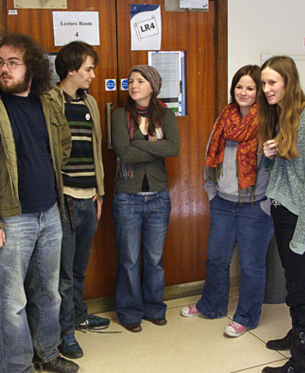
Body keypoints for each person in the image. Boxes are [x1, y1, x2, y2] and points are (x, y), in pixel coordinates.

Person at [0, 33, 77, 373]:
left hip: (50, 212)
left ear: (33, 68)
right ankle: (16, 367)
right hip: (10, 220)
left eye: (13, 63)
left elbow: (63, 146)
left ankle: (47, 353)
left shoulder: (48, 101)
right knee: (11, 303)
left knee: (49, 294)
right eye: (0, 63)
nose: (4, 69)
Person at [180, 65, 274, 337]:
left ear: (259, 91)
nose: (243, 93)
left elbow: (279, 166)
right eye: (239, 87)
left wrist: (267, 202)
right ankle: (211, 306)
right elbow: (210, 152)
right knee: (216, 259)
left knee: (251, 266)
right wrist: (211, 191)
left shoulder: (269, 121)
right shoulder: (225, 116)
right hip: (222, 202)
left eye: (250, 88)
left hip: (255, 205)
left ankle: (246, 317)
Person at [258, 56, 305, 373]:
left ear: (289, 82)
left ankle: (302, 362)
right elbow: (282, 173)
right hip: (281, 212)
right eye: (263, 83)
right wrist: (268, 156)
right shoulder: (282, 117)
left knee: (301, 290)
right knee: (293, 283)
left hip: (298, 218)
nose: (266, 89)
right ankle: (296, 335)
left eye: (271, 82)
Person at [44, 41, 108, 360]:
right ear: (71, 70)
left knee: (80, 266)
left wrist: (100, 192)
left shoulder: (91, 103)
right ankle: (65, 331)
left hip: (88, 197)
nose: (93, 75)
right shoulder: (49, 101)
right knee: (64, 273)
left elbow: (95, 150)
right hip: (64, 199)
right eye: (88, 69)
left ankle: (79, 315)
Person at [112, 65, 180, 333]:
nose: (133, 85)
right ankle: (129, 312)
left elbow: (173, 148)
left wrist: (138, 144)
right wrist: (154, 147)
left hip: (158, 197)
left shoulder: (166, 115)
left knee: (154, 259)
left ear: (152, 86)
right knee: (129, 259)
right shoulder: (119, 115)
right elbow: (123, 153)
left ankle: (154, 308)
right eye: (130, 81)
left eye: (140, 81)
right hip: (127, 198)